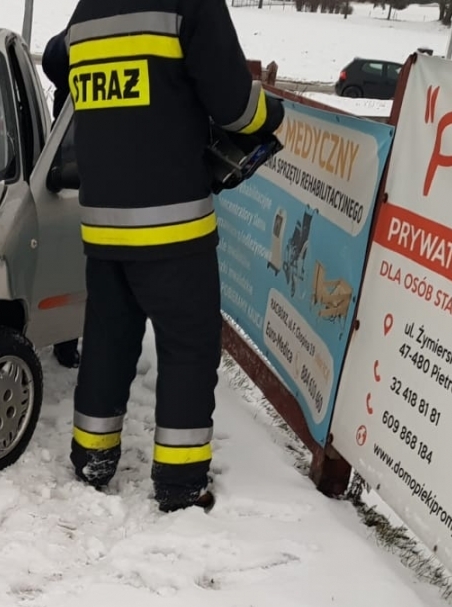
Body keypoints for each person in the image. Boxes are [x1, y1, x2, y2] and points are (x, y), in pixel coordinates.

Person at [43, 0, 284, 511]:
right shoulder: (191, 4)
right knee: (189, 348)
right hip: (173, 227)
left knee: (108, 339)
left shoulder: (88, 11)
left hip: (103, 223)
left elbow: (53, 60)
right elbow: (236, 108)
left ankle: (92, 457)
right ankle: (179, 482)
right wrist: (274, 110)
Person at [41, 31, 81, 370]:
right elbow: (54, 58)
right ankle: (66, 339)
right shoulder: (82, 27)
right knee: (69, 248)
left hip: (105, 153)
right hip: (70, 153)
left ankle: (71, 337)